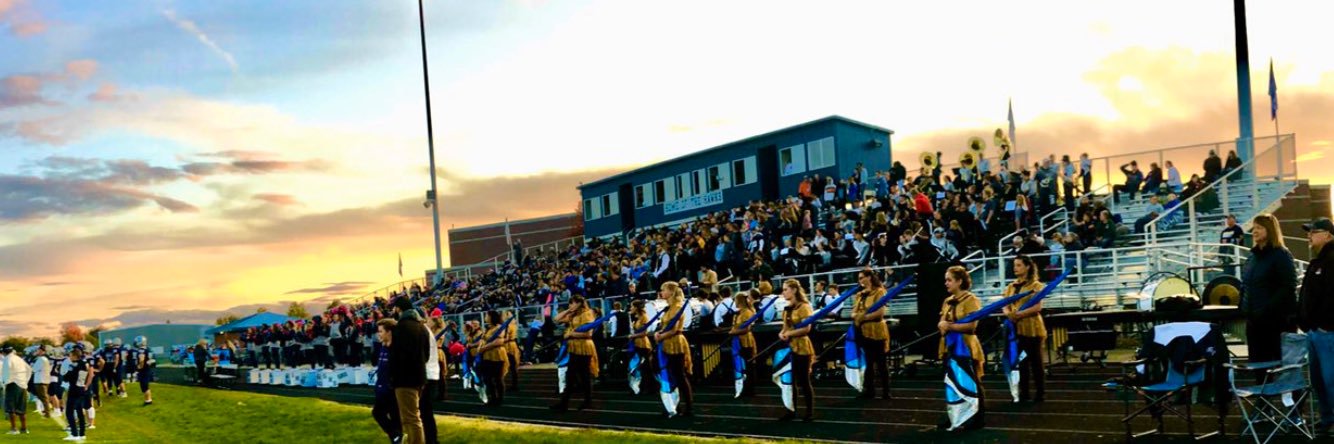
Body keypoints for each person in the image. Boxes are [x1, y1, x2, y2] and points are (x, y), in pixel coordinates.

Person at [1240, 213, 1298, 365]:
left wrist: (1266, 309)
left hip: (1275, 322)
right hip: (1254, 322)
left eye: (1259, 227)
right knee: (1257, 364)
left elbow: (1288, 286)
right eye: (1254, 228)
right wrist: (1243, 307)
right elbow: (1245, 284)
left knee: (1277, 365)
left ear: (1270, 230)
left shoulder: (1281, 255)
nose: (1254, 231)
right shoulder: (1252, 257)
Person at [1298, 218, 1334, 436]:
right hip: (1314, 332)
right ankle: (1327, 418)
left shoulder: (1331, 261)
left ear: (1328, 235)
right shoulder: (1317, 262)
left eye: (1313, 231)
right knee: (1319, 381)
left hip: (1326, 332)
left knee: (1330, 380)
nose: (1309, 235)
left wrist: (1323, 325)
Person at [938, 265, 985, 430]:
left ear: (959, 281)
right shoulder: (947, 301)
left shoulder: (971, 300)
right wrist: (943, 326)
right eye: (946, 280)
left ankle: (977, 417)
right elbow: (942, 323)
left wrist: (949, 326)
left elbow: (972, 326)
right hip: (949, 346)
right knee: (952, 381)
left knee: (972, 381)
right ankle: (954, 416)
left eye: (949, 280)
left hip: (966, 346)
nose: (946, 283)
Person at [1001, 255, 1046, 402]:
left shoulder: (1036, 286)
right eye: (1015, 265)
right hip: (1015, 329)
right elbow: (1004, 305)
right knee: (1020, 363)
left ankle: (1040, 393)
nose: (1015, 268)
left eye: (1019, 265)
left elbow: (1037, 307)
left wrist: (1019, 314)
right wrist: (1008, 314)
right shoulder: (1010, 287)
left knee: (1036, 362)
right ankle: (1024, 393)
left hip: (1032, 328)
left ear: (1027, 267)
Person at [389, 297, 429, 444]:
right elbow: (426, 354)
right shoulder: (421, 326)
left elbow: (396, 355)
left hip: (404, 378)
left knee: (411, 418)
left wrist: (393, 375)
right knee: (412, 416)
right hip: (419, 376)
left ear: (398, 309)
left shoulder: (400, 327)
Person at [653, 282, 694, 417]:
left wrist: (661, 336)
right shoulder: (669, 308)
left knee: (680, 375)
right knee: (670, 375)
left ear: (671, 292)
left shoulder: (677, 307)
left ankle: (688, 407)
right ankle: (674, 405)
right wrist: (659, 333)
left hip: (675, 343)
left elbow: (675, 329)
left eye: (663, 290)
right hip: (666, 343)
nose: (661, 292)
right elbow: (665, 327)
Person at [851, 269, 891, 401]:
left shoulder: (879, 292)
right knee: (868, 362)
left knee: (881, 362)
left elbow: (880, 313)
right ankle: (869, 390)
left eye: (862, 277)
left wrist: (863, 317)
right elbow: (853, 312)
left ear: (869, 277)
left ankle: (886, 391)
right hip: (862, 331)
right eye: (859, 278)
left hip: (876, 330)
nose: (860, 280)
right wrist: (857, 316)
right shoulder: (859, 295)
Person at [551, 296, 596, 412]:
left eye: (572, 303)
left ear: (580, 303)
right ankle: (565, 403)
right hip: (574, 348)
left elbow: (588, 333)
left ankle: (584, 401)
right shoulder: (573, 315)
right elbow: (556, 319)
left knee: (583, 376)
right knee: (572, 376)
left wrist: (571, 334)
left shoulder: (587, 314)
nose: (570, 305)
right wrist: (568, 310)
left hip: (584, 347)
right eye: (569, 303)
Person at [372, 318, 402, 443]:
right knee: (379, 413)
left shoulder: (396, 348)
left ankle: (396, 436)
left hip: (392, 389)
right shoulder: (383, 347)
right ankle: (396, 436)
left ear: (389, 332)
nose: (378, 334)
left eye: (381, 331)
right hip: (381, 388)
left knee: (389, 415)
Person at [475, 311, 509, 408]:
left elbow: (499, 341)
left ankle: (499, 399)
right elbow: (482, 339)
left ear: (491, 317)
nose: (485, 317)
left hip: (497, 354)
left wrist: (484, 348)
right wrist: (480, 346)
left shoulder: (499, 328)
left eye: (486, 315)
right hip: (486, 356)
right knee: (487, 379)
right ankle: (493, 398)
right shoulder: (488, 328)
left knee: (498, 378)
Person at [728, 291, 758, 398]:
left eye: (735, 300)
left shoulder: (747, 312)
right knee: (741, 365)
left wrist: (733, 332)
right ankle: (743, 388)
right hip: (738, 342)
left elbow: (746, 328)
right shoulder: (738, 313)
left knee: (748, 366)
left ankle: (750, 389)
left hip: (746, 341)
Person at [64, 346, 93, 441]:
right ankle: (82, 433)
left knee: (69, 412)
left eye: (71, 355)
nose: (70, 357)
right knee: (80, 411)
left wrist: (64, 374)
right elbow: (88, 375)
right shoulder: (85, 363)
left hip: (74, 389)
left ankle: (74, 434)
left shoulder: (73, 364)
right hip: (82, 388)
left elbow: (67, 377)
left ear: (74, 355)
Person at [2, 346, 31, 435]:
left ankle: (14, 429)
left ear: (4, 352)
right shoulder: (19, 358)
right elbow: (29, 369)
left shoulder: (7, 359)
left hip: (13, 384)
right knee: (22, 408)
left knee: (11, 409)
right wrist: (25, 381)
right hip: (22, 384)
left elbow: (6, 373)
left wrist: (5, 384)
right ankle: (24, 428)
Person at [129, 336, 154, 406]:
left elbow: (141, 359)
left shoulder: (141, 350)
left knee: (144, 386)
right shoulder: (148, 349)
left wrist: (139, 368)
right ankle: (148, 400)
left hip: (144, 370)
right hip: (147, 369)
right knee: (145, 386)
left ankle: (148, 401)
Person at [30, 346, 50, 419]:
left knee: (43, 397)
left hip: (40, 380)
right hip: (45, 380)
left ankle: (47, 413)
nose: (37, 352)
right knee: (44, 397)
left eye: (38, 350)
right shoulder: (45, 359)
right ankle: (46, 410)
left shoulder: (41, 359)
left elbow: (34, 369)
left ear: (41, 351)